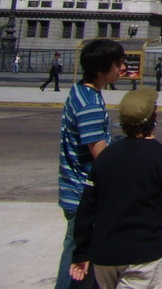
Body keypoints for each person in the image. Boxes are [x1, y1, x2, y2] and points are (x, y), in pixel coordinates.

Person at [70, 87, 162, 288]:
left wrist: (81, 252)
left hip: (105, 255)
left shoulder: (105, 158)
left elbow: (86, 209)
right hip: (143, 255)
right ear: (154, 116)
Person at [54, 38, 126, 289]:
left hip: (74, 189)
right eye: (117, 64)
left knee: (86, 262)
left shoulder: (80, 91)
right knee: (76, 262)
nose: (122, 68)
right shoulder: (90, 105)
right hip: (83, 195)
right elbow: (101, 156)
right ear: (101, 68)